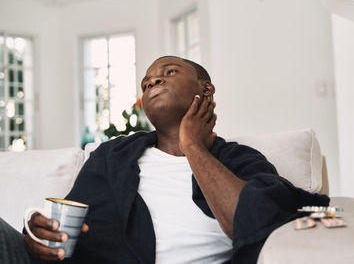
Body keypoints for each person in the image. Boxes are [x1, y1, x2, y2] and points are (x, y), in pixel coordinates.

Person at [2, 56, 329, 264]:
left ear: (206, 89)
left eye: (168, 72)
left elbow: (250, 220)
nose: (152, 82)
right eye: (146, 82)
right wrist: (38, 239)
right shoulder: (113, 156)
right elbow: (63, 233)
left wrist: (192, 146)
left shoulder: (238, 160)